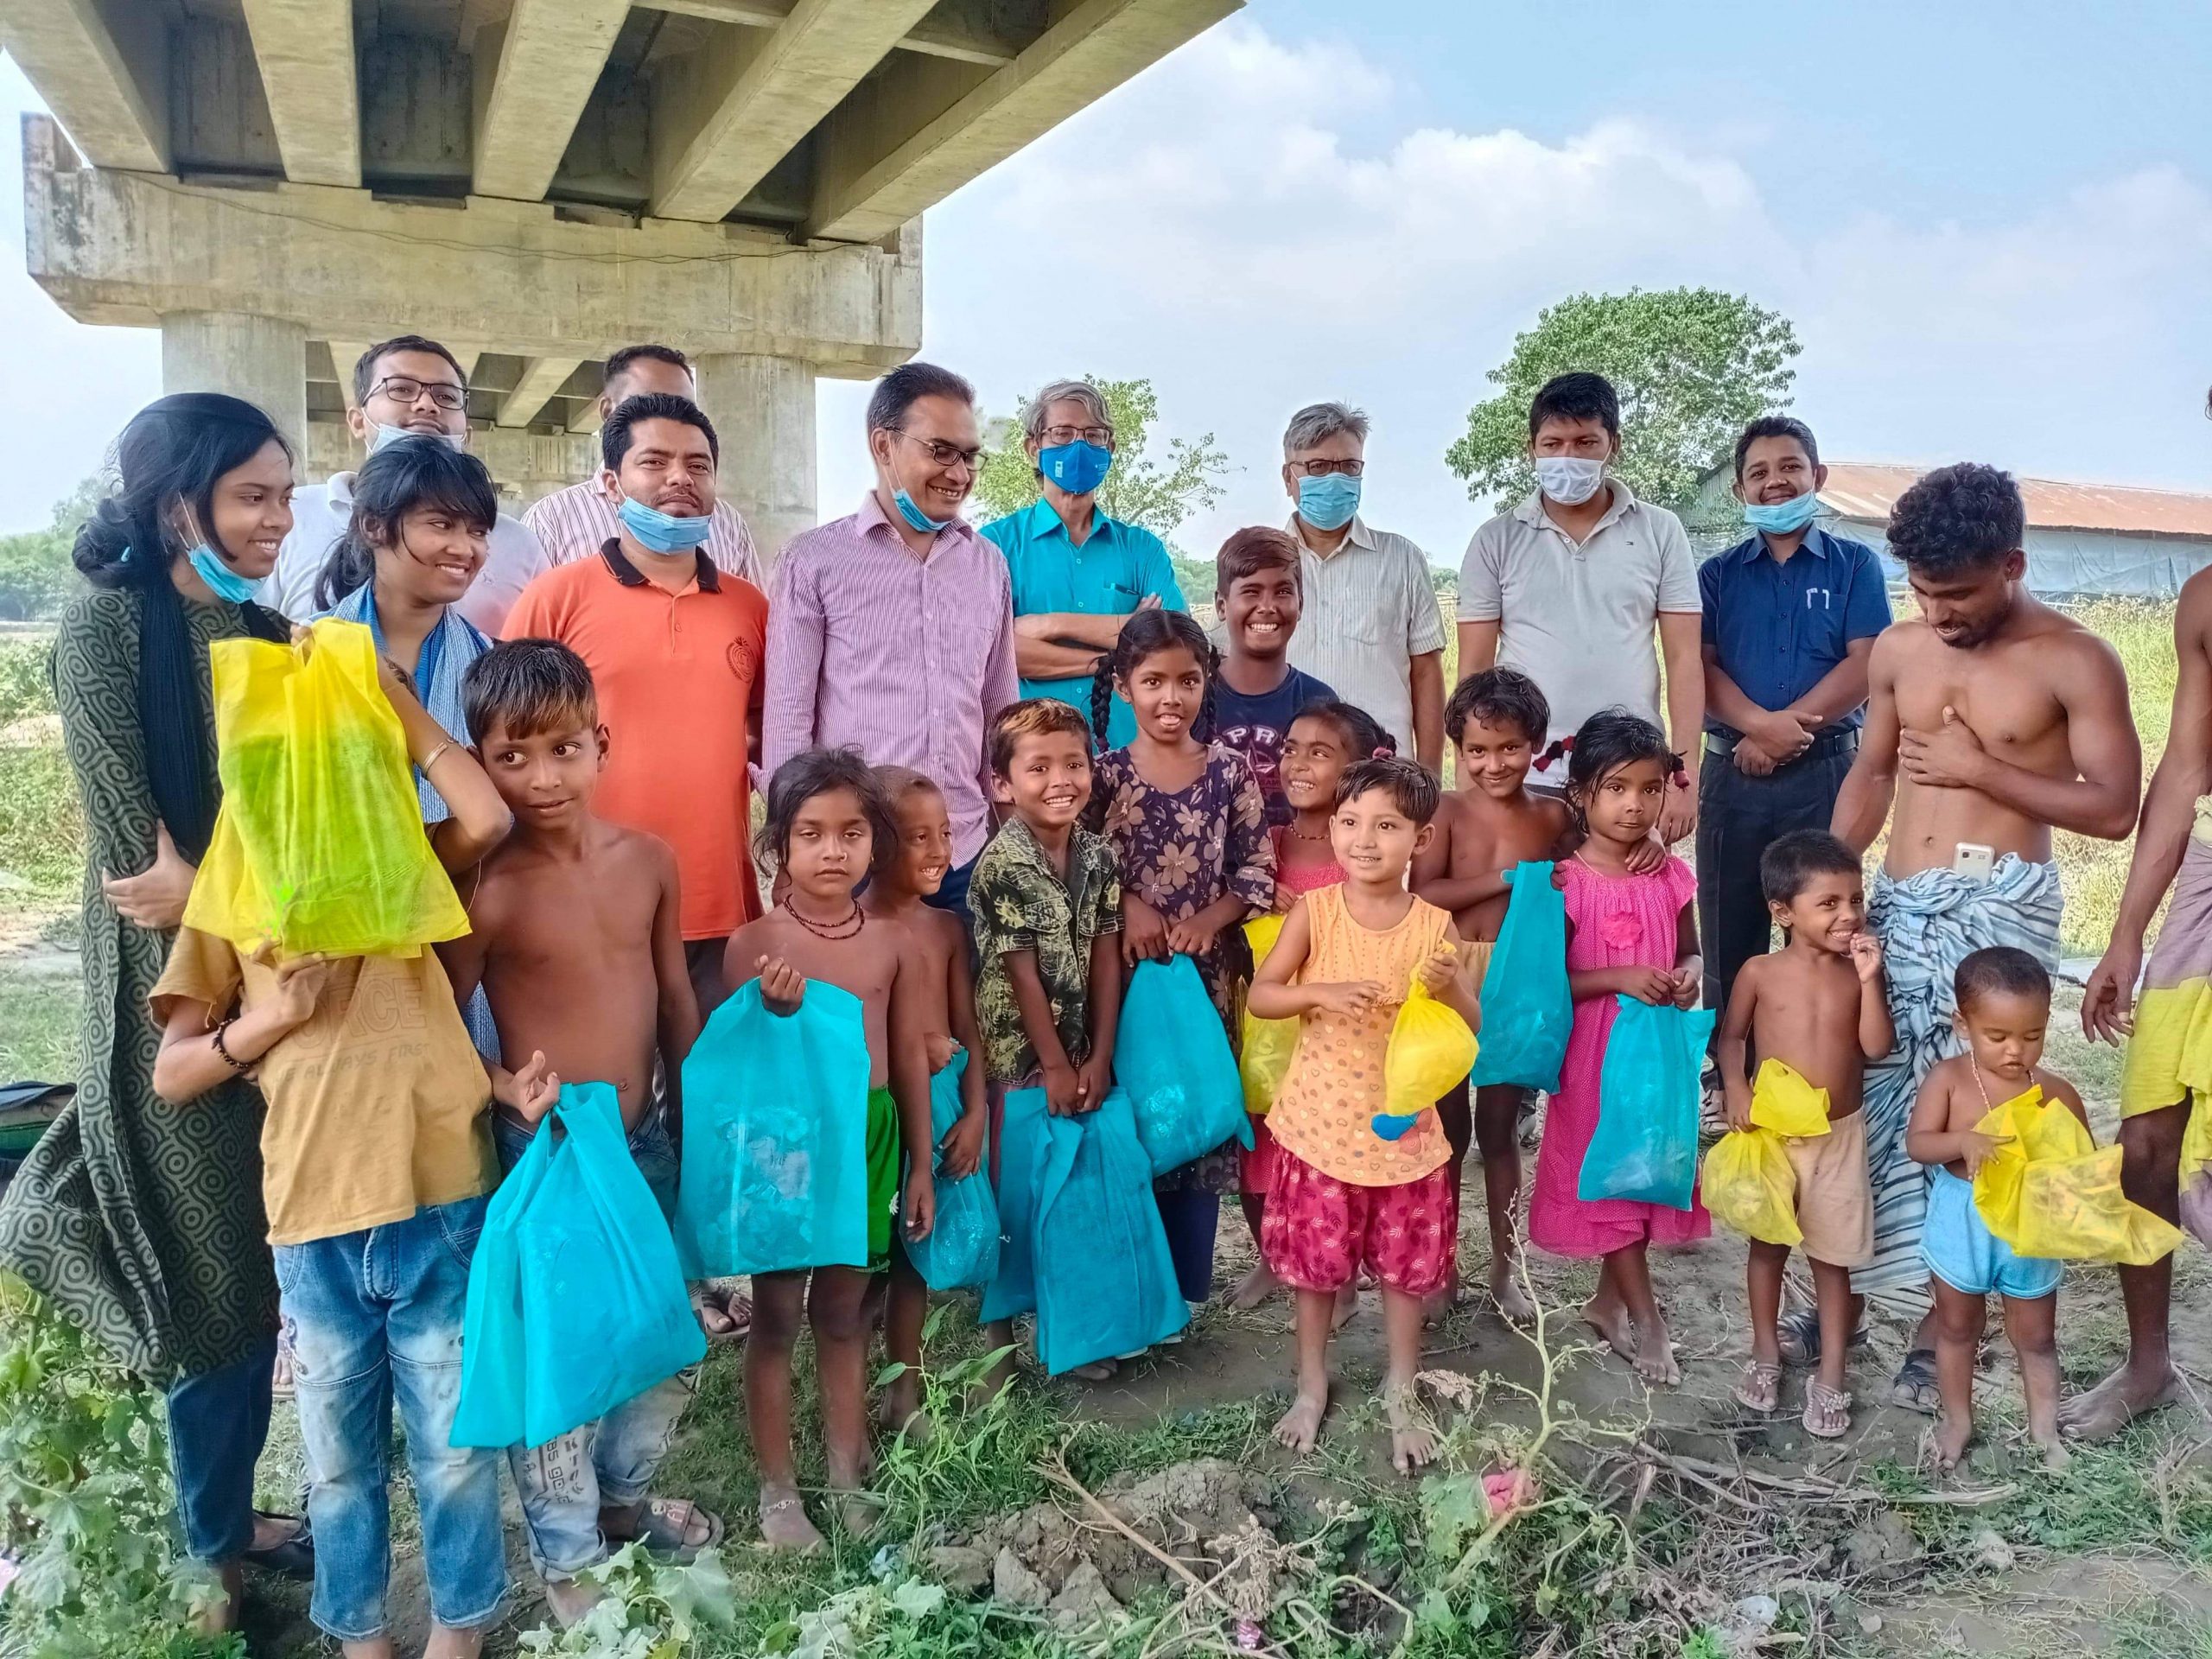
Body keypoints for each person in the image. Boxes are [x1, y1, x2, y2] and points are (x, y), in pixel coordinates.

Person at [0, 394, 309, 1625]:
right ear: (180, 504)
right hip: (163, 1000)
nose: (281, 519)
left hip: (279, 980)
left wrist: (233, 895)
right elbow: (145, 873)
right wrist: (234, 901)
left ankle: (228, 1512)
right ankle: (210, 1556)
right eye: (255, 496)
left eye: (285, 494)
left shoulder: (271, 634)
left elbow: (286, 834)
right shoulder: (106, 629)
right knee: (210, 1270)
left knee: (261, 1261)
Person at [148, 625, 513, 1659]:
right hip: (313, 1216)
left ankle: (460, 1628)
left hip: (441, 1192)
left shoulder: (401, 853)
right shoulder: (237, 878)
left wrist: (393, 706)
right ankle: (358, 1635)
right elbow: (173, 1072)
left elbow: (484, 811)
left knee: (449, 1446)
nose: (314, 777)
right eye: (282, 761)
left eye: (340, 753)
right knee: (339, 1460)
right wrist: (266, 1022)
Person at [1830, 462, 2139, 1412]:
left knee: (1979, 1099)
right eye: (1921, 591)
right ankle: (1880, 1284)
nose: (1937, 611)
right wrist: (1826, 879)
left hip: (1999, 910)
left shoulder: (2073, 659)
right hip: (1900, 903)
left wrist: (1981, 768)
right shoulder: (1897, 648)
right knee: (1886, 1094)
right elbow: (1874, 775)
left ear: (2011, 563)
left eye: (1956, 593)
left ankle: (1943, 1323)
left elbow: (2115, 808)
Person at [432, 640, 716, 1618]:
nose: (541, 778)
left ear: (602, 742)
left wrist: (696, 1121)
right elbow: (435, 1031)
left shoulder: (649, 862)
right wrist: (505, 1086)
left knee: (665, 1336)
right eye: (511, 758)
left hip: (645, 1143)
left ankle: (626, 1502)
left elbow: (676, 998)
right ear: (481, 760)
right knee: (566, 1356)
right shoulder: (490, 891)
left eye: (562, 749)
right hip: (549, 1151)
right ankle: (566, 1558)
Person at [723, 750, 933, 1551]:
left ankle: (847, 1471)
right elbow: (736, 1070)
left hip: (868, 1141)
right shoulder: (754, 945)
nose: (832, 851)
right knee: (777, 1313)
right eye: (811, 834)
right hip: (788, 1148)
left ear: (874, 845)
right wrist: (773, 1017)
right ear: (779, 845)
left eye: (850, 833)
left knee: (844, 1313)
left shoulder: (891, 944)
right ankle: (779, 1491)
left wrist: (918, 1164)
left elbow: (908, 1056)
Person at [1249, 756, 1483, 1472]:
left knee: (1406, 1270)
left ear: (1421, 838)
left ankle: (1401, 1385)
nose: (1365, 839)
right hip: (1320, 1125)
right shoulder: (1314, 913)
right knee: (1317, 1271)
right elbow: (1263, 996)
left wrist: (1450, 987)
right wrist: (1321, 992)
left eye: (1387, 825)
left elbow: (1474, 1026)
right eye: (1350, 823)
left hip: (1404, 1133)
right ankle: (1312, 1380)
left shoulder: (1436, 926)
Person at [502, 393, 767, 1016]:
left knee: (705, 1098)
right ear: (612, 481)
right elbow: (502, 738)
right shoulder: (555, 599)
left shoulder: (749, 606)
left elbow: (760, 733)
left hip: (715, 906)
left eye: (698, 465)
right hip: (586, 899)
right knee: (602, 1090)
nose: (680, 478)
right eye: (656, 462)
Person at [765, 363, 1019, 921]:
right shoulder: (814, 562)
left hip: (963, 854)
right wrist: (792, 853)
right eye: (941, 450)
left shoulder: (988, 567)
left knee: (964, 1007)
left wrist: (1008, 837)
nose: (960, 472)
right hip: (855, 859)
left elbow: (1000, 715)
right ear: (883, 445)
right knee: (861, 1008)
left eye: (970, 455)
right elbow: (787, 720)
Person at [1090, 610, 1275, 1313]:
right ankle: (1138, 1290)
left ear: (1207, 684)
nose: (1172, 697)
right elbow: (1076, 865)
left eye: (1188, 681)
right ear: (1125, 686)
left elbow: (1256, 869)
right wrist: (1127, 902)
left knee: (1196, 1120)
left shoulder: (1229, 771)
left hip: (1206, 985)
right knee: (1134, 1113)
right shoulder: (1103, 777)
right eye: (1154, 681)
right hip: (1126, 983)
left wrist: (1210, 918)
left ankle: (1187, 1292)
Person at [2069, 550, 2212, 1441]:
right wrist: (2127, 929)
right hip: (2204, 885)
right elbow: (2183, 774)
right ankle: (2150, 1364)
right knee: (2147, 1139)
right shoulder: (2203, 598)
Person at [1529, 710, 1708, 1386]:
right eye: (1616, 789)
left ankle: (1608, 1303)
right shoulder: (1563, 883)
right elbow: (1549, 984)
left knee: (1643, 1171)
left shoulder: (1670, 878)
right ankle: (1648, 1318)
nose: (1635, 805)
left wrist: (1688, 978)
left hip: (1656, 1057)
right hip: (1593, 1057)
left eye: (1650, 789)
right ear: (1580, 795)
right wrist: (1620, 978)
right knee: (1612, 1178)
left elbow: (1691, 952)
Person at [1698, 417, 1891, 1017]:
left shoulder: (1855, 566)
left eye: (1789, 468)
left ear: (1817, 476)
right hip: (1733, 778)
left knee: (1822, 927)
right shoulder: (1716, 576)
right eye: (1758, 473)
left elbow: (1867, 662)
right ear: (1740, 491)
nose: (1775, 482)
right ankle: (1729, 1078)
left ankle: (1816, 1065)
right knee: (1729, 932)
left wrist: (1783, 735)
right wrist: (1758, 726)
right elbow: (1697, 671)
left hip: (1827, 776)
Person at [1457, 372, 1703, 844]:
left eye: (1585, 441)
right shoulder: (1496, 539)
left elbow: (1685, 661)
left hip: (1629, 772)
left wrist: (1682, 776)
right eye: (1553, 443)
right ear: (1531, 448)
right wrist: (1470, 786)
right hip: (1521, 772)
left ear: (1615, 445)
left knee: (1627, 914)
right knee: (1528, 909)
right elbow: (1473, 670)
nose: (1567, 457)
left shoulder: (1660, 530)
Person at [1716, 830, 1893, 1440]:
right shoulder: (1759, 972)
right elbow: (1733, 1037)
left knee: (1832, 1260)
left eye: (1856, 899)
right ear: (1782, 911)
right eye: (1830, 903)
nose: (1849, 915)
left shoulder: (1857, 973)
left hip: (1839, 1137)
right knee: (1767, 1247)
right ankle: (1766, 1353)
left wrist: (1871, 979)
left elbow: (1876, 1048)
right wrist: (1735, 1088)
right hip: (1772, 1136)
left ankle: (1833, 1374)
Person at [1410, 669, 1574, 1321]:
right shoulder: (1447, 810)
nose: (1492, 763)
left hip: (1520, 981)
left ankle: (1508, 1270)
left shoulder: (1554, 815)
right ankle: (1440, 1265)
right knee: (1445, 1128)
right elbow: (1426, 892)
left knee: (1499, 1129)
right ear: (1457, 749)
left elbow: (1576, 885)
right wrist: (1507, 881)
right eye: (1476, 750)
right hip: (1452, 973)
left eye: (1509, 748)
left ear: (1535, 744)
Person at [969, 700, 1123, 1374]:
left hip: (1085, 1050)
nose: (1061, 779)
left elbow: (1109, 955)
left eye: (1074, 763)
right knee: (1014, 1194)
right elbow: (1021, 973)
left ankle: (1073, 1332)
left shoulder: (1099, 855)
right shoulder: (1000, 865)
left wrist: (1103, 1054)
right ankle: (999, 1341)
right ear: (1003, 784)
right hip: (1019, 1061)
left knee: (1071, 1198)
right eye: (1039, 768)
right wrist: (1058, 1066)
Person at [1906, 947, 2085, 1472]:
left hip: (2027, 1229)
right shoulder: (1950, 1080)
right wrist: (1963, 1140)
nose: (2016, 1051)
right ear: (1964, 1024)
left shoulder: (2056, 1093)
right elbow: (1919, 1144)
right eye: (1999, 1037)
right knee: (1957, 1328)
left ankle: (2045, 1431)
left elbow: (2083, 1166)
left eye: (2031, 1037)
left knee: (2035, 1335)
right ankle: (1958, 1420)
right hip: (1962, 1223)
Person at [1229, 699, 1378, 1313]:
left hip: (1338, 1031)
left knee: (1332, 1149)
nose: (1297, 762)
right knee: (1259, 1142)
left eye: (1320, 753)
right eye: (1292, 748)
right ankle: (1271, 1255)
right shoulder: (1262, 844)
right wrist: (1255, 893)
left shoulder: (1364, 850)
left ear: (1359, 767)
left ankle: (1339, 1276)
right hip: (1267, 1023)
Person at [270, 335, 549, 632]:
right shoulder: (291, 517)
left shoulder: (520, 545)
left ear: (467, 433)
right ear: (357, 421)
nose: (427, 405)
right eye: (402, 389)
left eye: (446, 396)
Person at [866, 766, 988, 1438]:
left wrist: (974, 1114)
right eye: (919, 837)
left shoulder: (945, 928)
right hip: (881, 1117)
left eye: (945, 832)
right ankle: (848, 1385)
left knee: (918, 1255)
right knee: (868, 1265)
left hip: (941, 1116)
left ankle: (904, 1396)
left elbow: (969, 1033)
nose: (941, 850)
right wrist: (917, 1043)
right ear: (877, 845)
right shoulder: (855, 930)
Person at [982, 378, 1187, 749]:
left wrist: (1050, 624)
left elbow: (1174, 642)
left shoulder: (1142, 549)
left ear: (1110, 447)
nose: (1079, 446)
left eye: (1093, 435)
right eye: (1062, 433)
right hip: (1032, 768)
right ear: (1034, 448)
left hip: (1129, 763)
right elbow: (994, 653)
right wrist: (1121, 650)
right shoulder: (994, 546)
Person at [1276, 403, 1446, 771]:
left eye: (1349, 467)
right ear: (1289, 478)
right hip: (1288, 773)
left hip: (1383, 773)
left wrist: (1430, 775)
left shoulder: (1401, 559)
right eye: (1318, 467)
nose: (1335, 480)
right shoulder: (1263, 563)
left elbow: (1427, 672)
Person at [522, 345, 761, 582]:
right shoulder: (551, 520)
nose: (667, 418)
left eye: (683, 407)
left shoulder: (728, 524)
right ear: (608, 411)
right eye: (646, 404)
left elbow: (755, 616)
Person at [1210, 526, 1336, 825]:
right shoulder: (1192, 697)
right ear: (1221, 605)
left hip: (1293, 867)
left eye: (1282, 592)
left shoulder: (1319, 702)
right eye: (1251, 592)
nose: (1267, 607)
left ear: (1300, 604)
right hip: (1204, 867)